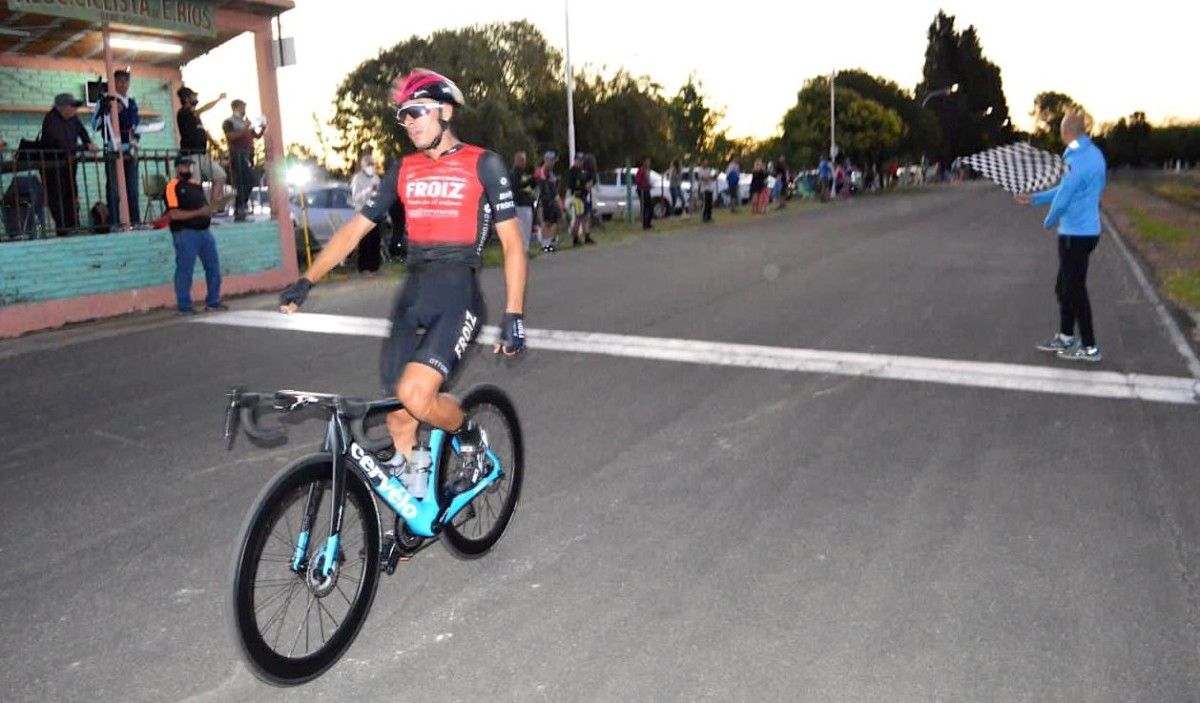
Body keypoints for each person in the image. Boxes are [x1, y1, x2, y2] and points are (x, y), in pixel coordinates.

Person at [278, 68, 527, 495]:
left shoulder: (483, 164)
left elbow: (512, 245)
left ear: (445, 111)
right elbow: (356, 230)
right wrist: (307, 279)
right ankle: (417, 506)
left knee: (415, 393)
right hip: (413, 294)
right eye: (403, 116)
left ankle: (469, 440)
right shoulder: (403, 169)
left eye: (417, 112)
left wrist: (514, 313)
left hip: (457, 295)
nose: (409, 122)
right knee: (398, 416)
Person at [1015, 110, 1108, 362]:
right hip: (1087, 231)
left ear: (1068, 131)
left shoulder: (1077, 161)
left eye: (1062, 128)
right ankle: (1066, 337)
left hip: (1075, 235)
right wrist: (1035, 199)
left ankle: (1089, 347)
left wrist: (1049, 219)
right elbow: (1066, 189)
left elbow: (1064, 196)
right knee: (1065, 287)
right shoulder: (1091, 154)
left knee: (1074, 290)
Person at [164, 156, 224, 314]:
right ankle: (184, 305)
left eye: (190, 166)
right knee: (185, 269)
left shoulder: (196, 186)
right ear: (177, 168)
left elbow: (204, 207)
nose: (188, 169)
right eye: (184, 166)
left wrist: (211, 209)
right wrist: (200, 212)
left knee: (213, 267)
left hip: (204, 231)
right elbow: (174, 214)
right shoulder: (172, 186)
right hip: (185, 232)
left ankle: (213, 300)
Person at [41, 93, 100, 235]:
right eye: (72, 106)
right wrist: (85, 147)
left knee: (72, 196)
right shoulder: (51, 120)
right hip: (52, 168)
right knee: (57, 199)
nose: (75, 110)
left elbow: (82, 132)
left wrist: (88, 142)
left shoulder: (73, 118)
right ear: (61, 107)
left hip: (69, 165)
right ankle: (63, 230)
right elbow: (61, 145)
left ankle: (73, 226)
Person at [93, 68, 140, 226]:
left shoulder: (132, 103)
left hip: (130, 149)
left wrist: (136, 137)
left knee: (132, 189)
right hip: (113, 149)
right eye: (119, 81)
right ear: (113, 82)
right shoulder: (106, 101)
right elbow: (95, 125)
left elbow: (136, 125)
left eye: (126, 81)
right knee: (113, 190)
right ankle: (114, 223)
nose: (123, 84)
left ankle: (135, 223)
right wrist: (106, 111)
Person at [175, 86, 230, 209]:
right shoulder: (184, 112)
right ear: (187, 98)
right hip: (191, 154)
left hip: (202, 154)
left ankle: (212, 207)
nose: (196, 98)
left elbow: (202, 131)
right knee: (195, 183)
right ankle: (197, 211)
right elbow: (202, 109)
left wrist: (215, 145)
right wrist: (218, 99)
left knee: (220, 175)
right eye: (194, 96)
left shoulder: (195, 116)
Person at [221, 99, 266, 221]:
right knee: (243, 181)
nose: (244, 109)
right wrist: (245, 128)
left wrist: (262, 128)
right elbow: (231, 137)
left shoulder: (244, 122)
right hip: (237, 154)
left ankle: (242, 206)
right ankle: (240, 207)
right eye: (242, 107)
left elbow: (255, 136)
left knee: (249, 181)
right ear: (236, 107)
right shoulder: (229, 122)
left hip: (247, 155)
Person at [351, 146, 382, 273]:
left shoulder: (376, 178)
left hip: (374, 212)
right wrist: (367, 190)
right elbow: (355, 198)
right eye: (369, 165)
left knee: (375, 240)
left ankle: (374, 267)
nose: (371, 167)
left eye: (372, 164)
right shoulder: (357, 179)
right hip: (362, 213)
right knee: (364, 241)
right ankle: (363, 267)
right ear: (363, 166)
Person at [566, 152, 596, 246]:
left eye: (582, 160)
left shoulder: (582, 171)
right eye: (579, 160)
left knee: (586, 216)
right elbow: (572, 186)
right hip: (577, 196)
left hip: (583, 196)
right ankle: (575, 238)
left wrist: (590, 182)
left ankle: (587, 235)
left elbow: (590, 179)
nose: (581, 162)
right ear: (575, 160)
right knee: (579, 217)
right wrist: (583, 186)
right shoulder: (573, 171)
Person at [534, 150, 561, 252]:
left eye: (554, 161)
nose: (553, 163)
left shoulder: (551, 174)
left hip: (551, 201)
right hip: (543, 201)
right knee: (545, 222)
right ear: (546, 160)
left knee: (553, 221)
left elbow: (554, 189)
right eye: (551, 160)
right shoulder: (540, 172)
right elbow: (538, 187)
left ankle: (548, 243)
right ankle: (545, 244)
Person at [510, 151, 536, 252]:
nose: (524, 163)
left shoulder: (524, 174)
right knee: (522, 229)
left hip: (527, 203)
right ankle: (522, 250)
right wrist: (529, 181)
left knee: (527, 228)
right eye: (522, 160)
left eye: (524, 160)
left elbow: (529, 186)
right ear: (517, 161)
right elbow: (518, 187)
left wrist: (534, 180)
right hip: (520, 204)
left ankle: (526, 248)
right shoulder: (514, 173)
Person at [635, 156, 653, 230]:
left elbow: (647, 180)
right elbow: (638, 181)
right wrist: (645, 185)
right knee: (646, 207)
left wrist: (649, 185)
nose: (649, 163)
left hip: (647, 189)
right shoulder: (641, 170)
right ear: (644, 162)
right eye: (647, 161)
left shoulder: (647, 170)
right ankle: (645, 225)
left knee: (650, 207)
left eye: (649, 161)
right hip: (642, 190)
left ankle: (648, 224)